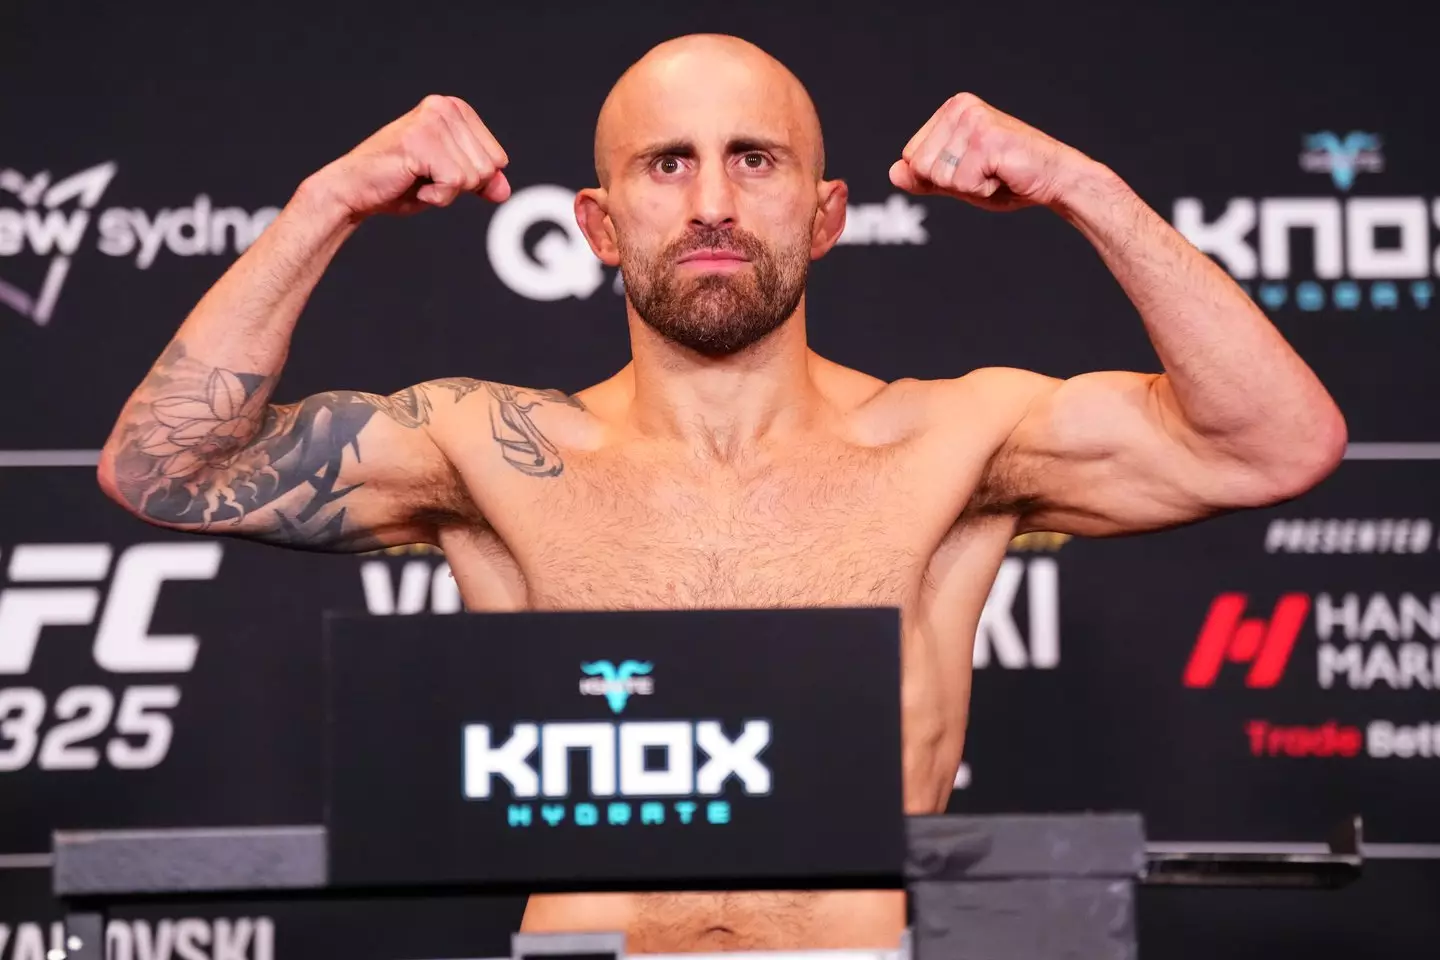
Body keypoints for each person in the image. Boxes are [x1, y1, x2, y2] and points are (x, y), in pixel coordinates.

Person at [98, 33, 1345, 954]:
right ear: (598, 225)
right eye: (666, 164)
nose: (710, 203)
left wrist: (1083, 186)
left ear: (825, 214)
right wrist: (326, 205)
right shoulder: (489, 447)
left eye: (755, 160)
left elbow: (1273, 446)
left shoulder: (955, 439)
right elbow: (163, 470)